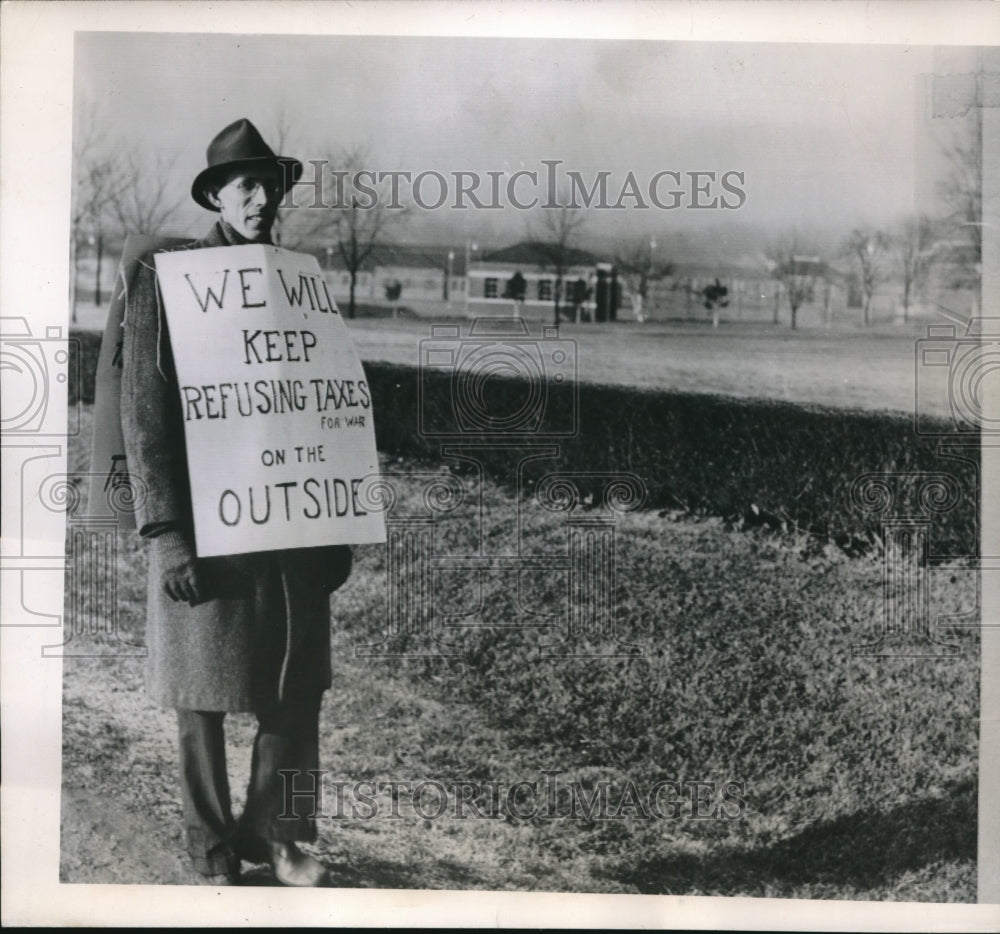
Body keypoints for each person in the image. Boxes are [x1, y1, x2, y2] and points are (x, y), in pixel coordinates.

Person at [120, 118, 352, 886]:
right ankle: (211, 840)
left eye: (270, 183)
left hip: (288, 521)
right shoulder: (172, 280)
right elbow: (146, 416)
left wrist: (337, 517)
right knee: (202, 694)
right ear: (216, 194)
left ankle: (282, 834)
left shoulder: (300, 281)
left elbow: (325, 404)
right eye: (244, 184)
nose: (261, 197)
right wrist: (167, 537)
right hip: (206, 524)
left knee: (294, 687)